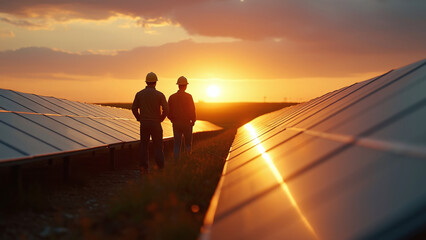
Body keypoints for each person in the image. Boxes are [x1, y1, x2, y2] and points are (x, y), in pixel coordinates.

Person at [132, 72, 168, 174]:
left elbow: (134, 108)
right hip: (156, 123)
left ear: (147, 82)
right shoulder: (160, 95)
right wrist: (161, 118)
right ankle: (160, 167)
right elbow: (166, 109)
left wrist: (139, 118)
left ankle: (144, 167)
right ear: (155, 83)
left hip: (144, 124)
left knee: (144, 145)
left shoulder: (139, 94)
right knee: (158, 146)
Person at [168, 76, 196, 161]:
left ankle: (176, 162)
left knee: (177, 144)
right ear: (186, 86)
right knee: (188, 143)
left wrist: (172, 119)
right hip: (187, 123)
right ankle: (187, 160)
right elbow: (192, 109)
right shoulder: (189, 97)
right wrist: (193, 120)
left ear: (178, 85)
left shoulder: (172, 97)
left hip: (176, 123)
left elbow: (168, 110)